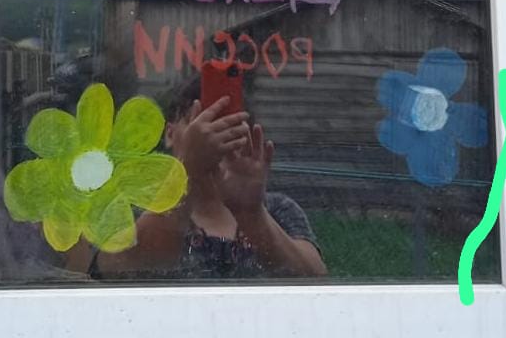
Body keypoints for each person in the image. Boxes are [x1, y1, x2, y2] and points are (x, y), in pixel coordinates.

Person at [68, 79, 326, 280]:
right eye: (199, 121)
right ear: (170, 134)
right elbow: (117, 269)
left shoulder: (277, 209)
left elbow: (316, 281)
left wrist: (252, 213)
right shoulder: (132, 203)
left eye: (228, 122)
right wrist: (187, 173)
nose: (214, 133)